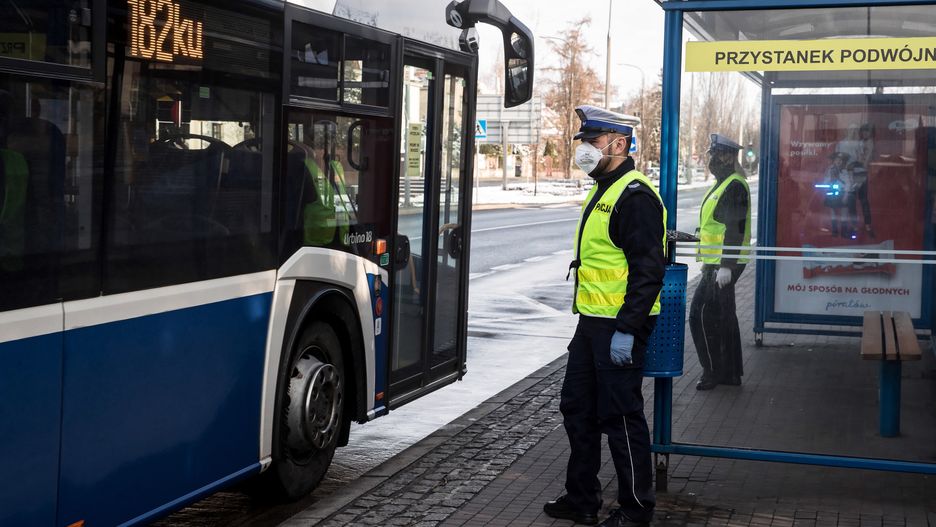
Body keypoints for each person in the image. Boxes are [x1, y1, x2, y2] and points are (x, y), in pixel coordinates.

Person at [544, 105, 665, 527]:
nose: (585, 151)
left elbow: (649, 272)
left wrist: (628, 330)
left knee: (621, 418)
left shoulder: (635, 196)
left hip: (619, 327)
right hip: (591, 323)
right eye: (584, 143)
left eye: (592, 143)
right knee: (577, 409)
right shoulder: (603, 189)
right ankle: (582, 500)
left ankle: (635, 510)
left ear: (619, 144)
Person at [689, 133, 751, 391]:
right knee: (724, 317)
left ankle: (712, 372)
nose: (711, 159)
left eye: (715, 155)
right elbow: (715, 223)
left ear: (727, 156)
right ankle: (730, 373)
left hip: (722, 265)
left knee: (699, 316)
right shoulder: (723, 183)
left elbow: (734, 228)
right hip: (716, 262)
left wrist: (727, 265)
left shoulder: (733, 185)